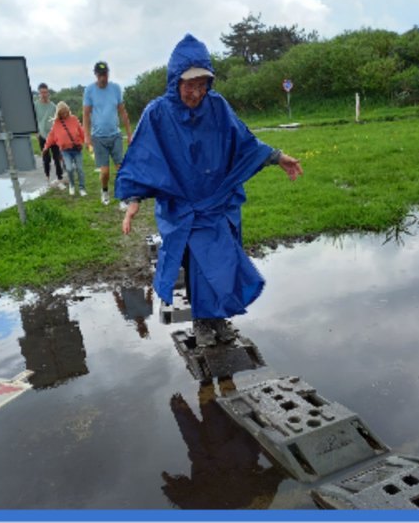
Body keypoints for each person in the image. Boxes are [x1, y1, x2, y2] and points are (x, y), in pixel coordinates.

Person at [116, 34, 302, 347]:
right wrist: (133, 200)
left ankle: (218, 318)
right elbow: (142, 158)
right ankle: (203, 322)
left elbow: (243, 140)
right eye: (189, 84)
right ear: (175, 80)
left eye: (202, 84)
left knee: (223, 260)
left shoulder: (217, 107)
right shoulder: (158, 113)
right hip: (182, 206)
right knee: (196, 264)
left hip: (217, 202)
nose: (196, 91)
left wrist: (276, 157)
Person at [83, 60, 132, 206]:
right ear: (95, 75)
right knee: (105, 172)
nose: (103, 78)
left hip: (115, 135)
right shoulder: (89, 90)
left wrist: (129, 134)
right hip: (98, 137)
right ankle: (104, 191)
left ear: (108, 74)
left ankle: (123, 197)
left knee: (120, 169)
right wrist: (87, 137)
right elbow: (86, 115)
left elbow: (123, 112)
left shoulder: (116, 88)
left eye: (105, 74)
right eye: (100, 75)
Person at [46, 101, 88, 197]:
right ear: (59, 113)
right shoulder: (56, 123)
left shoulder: (73, 119)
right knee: (69, 169)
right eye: (62, 113)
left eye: (66, 112)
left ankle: (82, 188)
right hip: (65, 151)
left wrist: (86, 141)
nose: (65, 114)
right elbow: (51, 136)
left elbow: (81, 131)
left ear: (68, 111)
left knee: (80, 169)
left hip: (76, 149)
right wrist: (46, 147)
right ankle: (72, 185)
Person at [33, 83, 63, 187]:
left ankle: (60, 178)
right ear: (39, 93)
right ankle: (47, 178)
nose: (44, 94)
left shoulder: (53, 106)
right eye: (41, 92)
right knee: (46, 158)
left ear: (48, 93)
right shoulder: (35, 105)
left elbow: (58, 121)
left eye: (45, 92)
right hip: (42, 135)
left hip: (53, 136)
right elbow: (33, 119)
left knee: (57, 157)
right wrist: (36, 132)